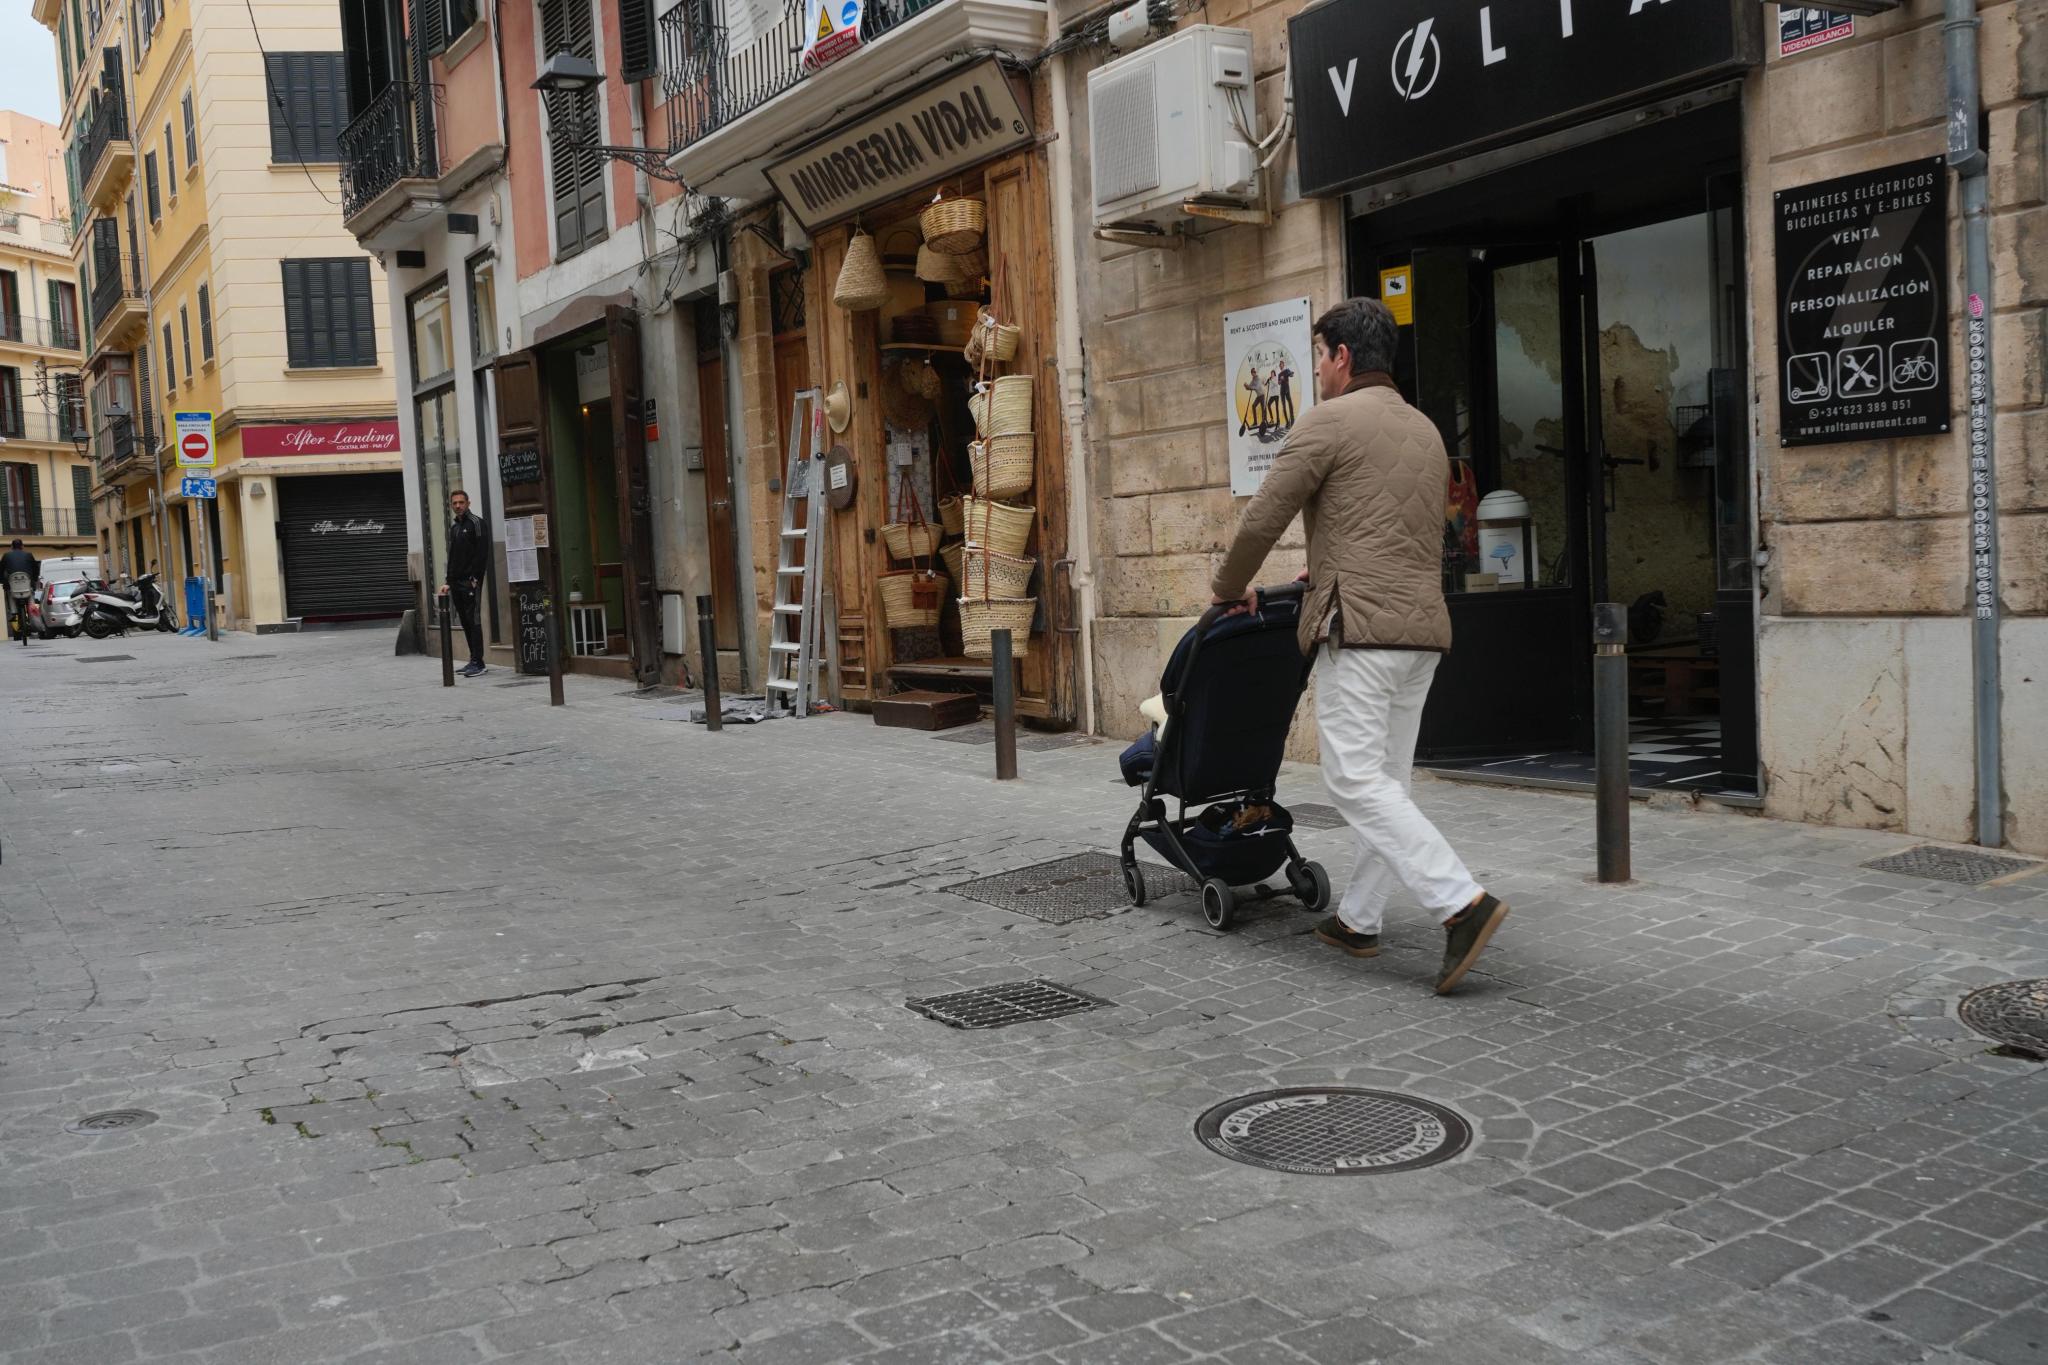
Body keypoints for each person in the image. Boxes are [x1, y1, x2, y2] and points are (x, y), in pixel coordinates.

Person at [1210, 298, 1507, 995]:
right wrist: (1324, 565)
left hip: (1363, 631)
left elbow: (1264, 517)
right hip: (1420, 634)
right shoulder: (1425, 431)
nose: (1316, 369)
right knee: (1387, 783)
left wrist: (1227, 588)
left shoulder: (1330, 421)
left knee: (1352, 779)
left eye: (1319, 355)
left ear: (1342, 356)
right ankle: (1359, 920)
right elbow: (1387, 528)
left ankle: (1461, 902)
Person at [440, 490, 489, 676]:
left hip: (471, 582)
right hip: (456, 583)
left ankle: (479, 663)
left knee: (473, 620)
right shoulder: (455, 528)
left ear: (468, 503)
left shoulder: (476, 523)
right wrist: (448, 581)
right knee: (465, 621)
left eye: (461, 502)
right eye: (455, 503)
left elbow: (482, 552)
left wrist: (475, 578)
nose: (458, 506)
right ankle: (473, 659)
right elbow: (453, 556)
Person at [2, 539, 39, 645]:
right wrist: (34, 580)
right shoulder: (29, 555)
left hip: (13, 587)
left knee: (9, 592)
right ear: (22, 546)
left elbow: (1, 570)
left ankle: (13, 613)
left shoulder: (6, 556)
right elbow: (35, 569)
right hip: (27, 586)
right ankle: (32, 614)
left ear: (11, 547)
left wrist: (3, 582)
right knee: (30, 594)